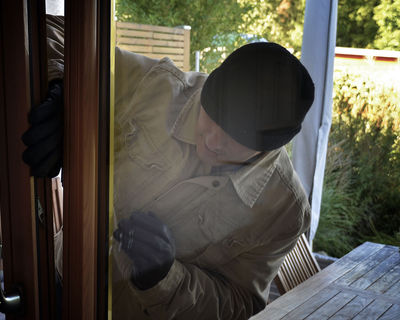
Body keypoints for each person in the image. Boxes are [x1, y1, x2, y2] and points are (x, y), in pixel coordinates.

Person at [22, 15, 314, 319]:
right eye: (211, 114)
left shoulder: (284, 211)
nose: (213, 140)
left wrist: (164, 278)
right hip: (62, 286)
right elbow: (47, 28)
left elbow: (238, 306)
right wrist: (62, 91)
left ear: (271, 145)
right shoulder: (156, 88)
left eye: (236, 138)